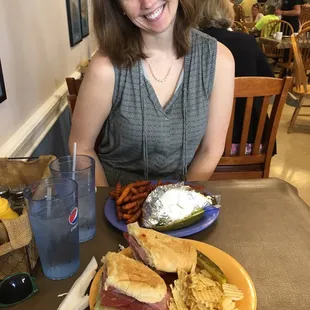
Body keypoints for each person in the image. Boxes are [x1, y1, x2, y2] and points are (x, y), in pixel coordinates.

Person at [69, 0, 235, 186]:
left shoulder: (220, 61)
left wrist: (180, 199)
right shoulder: (105, 67)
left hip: (180, 198)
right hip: (115, 198)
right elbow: (81, 148)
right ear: (117, 6)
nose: (147, 3)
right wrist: (107, 202)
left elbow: (211, 150)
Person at [200, 0, 274, 155]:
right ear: (229, 13)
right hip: (250, 142)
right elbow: (269, 81)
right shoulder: (247, 41)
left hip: (202, 146)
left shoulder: (194, 43)